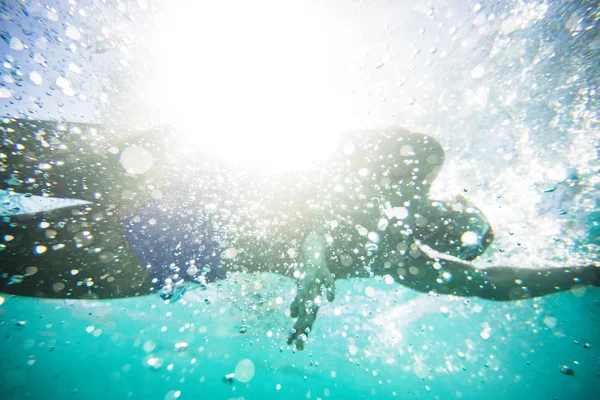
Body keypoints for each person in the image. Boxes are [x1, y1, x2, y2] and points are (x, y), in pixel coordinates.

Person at [1, 118, 598, 350]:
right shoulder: (396, 245)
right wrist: (587, 271)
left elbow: (494, 284)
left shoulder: (394, 213)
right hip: (165, 238)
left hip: (161, 185)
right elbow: (495, 285)